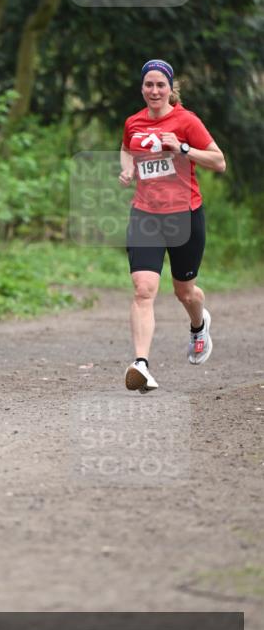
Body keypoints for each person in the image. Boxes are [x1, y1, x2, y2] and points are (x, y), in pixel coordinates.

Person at [119, 59, 226, 392]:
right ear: (142, 88)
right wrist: (128, 170)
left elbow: (219, 161)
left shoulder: (186, 121)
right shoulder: (133, 122)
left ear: (170, 88)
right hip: (145, 214)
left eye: (160, 85)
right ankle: (141, 364)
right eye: (148, 85)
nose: (154, 91)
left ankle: (198, 324)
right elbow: (126, 149)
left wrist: (181, 147)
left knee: (185, 292)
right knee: (143, 289)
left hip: (185, 215)